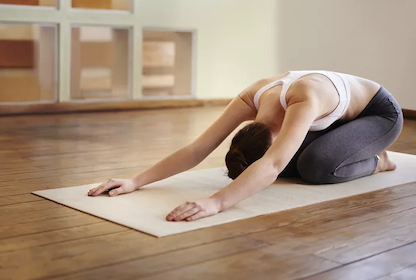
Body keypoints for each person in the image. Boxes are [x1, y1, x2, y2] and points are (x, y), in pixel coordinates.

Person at [88, 70, 403, 222]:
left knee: (315, 166)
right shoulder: (250, 99)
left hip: (378, 113)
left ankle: (380, 160)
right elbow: (199, 147)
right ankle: (347, 146)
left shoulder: (305, 98)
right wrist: (135, 181)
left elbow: (274, 164)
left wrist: (217, 202)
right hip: (333, 120)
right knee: (284, 164)